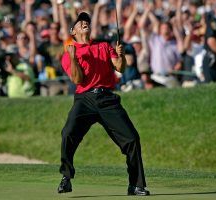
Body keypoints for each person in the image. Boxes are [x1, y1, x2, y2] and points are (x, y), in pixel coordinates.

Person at [57, 12, 150, 196]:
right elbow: (77, 79)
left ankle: (136, 185)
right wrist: (74, 58)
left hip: (107, 98)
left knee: (132, 138)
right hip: (85, 100)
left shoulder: (104, 46)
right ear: (73, 32)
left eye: (86, 21)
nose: (84, 23)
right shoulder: (69, 54)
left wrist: (121, 56)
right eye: (80, 22)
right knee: (68, 133)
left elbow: (120, 68)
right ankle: (66, 177)